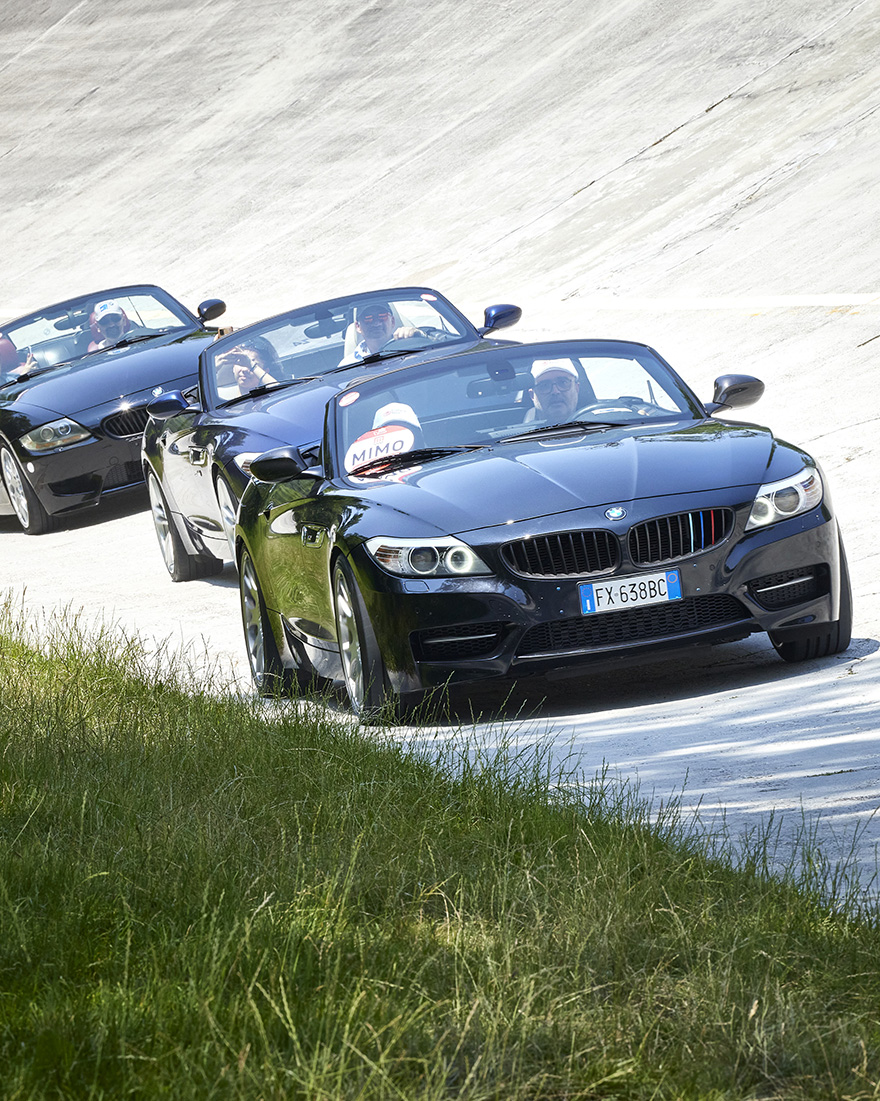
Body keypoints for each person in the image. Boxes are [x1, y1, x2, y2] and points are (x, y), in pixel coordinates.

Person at [346, 300, 425, 362]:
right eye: (368, 318)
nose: (376, 323)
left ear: (393, 321)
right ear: (358, 326)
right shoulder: (347, 366)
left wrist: (420, 337)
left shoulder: (412, 348)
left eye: (382, 316)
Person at [215, 336, 282, 396]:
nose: (244, 369)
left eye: (250, 364)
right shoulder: (222, 397)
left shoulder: (271, 397)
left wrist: (252, 365)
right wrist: (212, 369)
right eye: (240, 362)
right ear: (233, 367)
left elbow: (281, 394)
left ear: (265, 371)